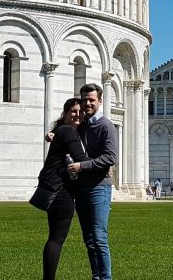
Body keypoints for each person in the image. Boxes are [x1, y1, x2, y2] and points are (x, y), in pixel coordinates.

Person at [67, 84, 117, 280]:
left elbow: (110, 158)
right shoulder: (82, 126)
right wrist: (53, 135)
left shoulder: (106, 126)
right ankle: (97, 277)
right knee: (89, 239)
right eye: (85, 99)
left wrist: (82, 166)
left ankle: (105, 278)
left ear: (100, 101)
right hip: (82, 188)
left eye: (92, 100)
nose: (88, 103)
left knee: (99, 237)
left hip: (99, 187)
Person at [38, 97, 92, 280]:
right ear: (66, 113)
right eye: (74, 111)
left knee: (54, 237)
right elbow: (81, 157)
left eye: (80, 112)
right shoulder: (68, 131)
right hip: (61, 192)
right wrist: (103, 164)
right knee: (57, 239)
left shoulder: (62, 130)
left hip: (53, 189)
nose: (78, 115)